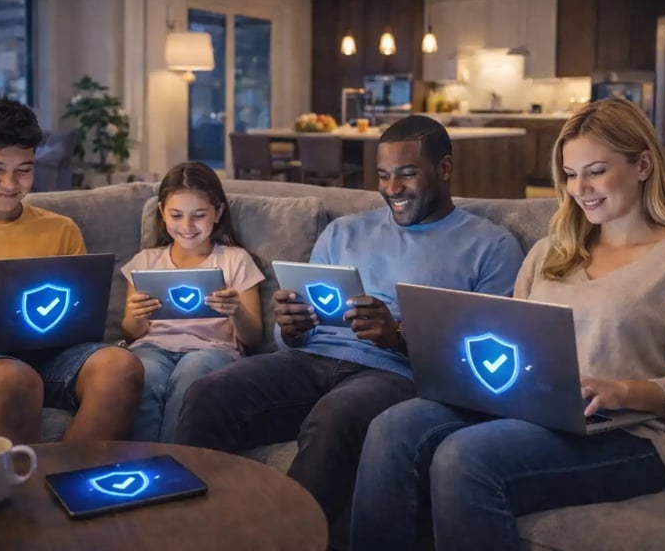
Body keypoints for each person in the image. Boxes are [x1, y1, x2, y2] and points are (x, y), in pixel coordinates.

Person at [350, 97, 665, 551]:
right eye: (569, 173)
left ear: (642, 165)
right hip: (529, 408)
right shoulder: (551, 251)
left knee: (463, 459)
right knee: (393, 426)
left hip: (630, 432)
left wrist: (622, 390)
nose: (580, 188)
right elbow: (513, 336)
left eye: (596, 170)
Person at [174, 115, 525, 528]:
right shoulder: (343, 232)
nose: (392, 189)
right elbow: (289, 339)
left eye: (407, 174)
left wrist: (398, 338)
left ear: (444, 169)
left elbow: (487, 361)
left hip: (394, 374)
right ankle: (190, 532)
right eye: (383, 175)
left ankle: (283, 539)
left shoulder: (490, 245)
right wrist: (289, 328)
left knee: (335, 417)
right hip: (312, 357)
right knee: (209, 393)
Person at [0, 98, 143, 444]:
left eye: (24, 169)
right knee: (14, 379)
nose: (10, 182)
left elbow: (80, 321)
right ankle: (9, 496)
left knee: (120, 366)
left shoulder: (61, 230)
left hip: (45, 353)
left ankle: (63, 485)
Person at [120, 161, 264, 442]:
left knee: (192, 373)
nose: (187, 226)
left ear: (218, 212)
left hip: (211, 350)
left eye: (199, 215)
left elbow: (254, 337)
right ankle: (142, 463)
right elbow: (130, 333)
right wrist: (137, 315)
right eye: (176, 215)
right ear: (162, 213)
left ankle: (177, 462)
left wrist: (236, 312)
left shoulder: (235, 259)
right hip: (153, 348)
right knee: (144, 373)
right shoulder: (145, 262)